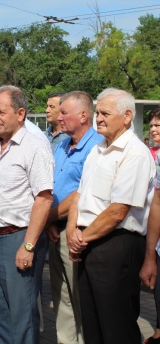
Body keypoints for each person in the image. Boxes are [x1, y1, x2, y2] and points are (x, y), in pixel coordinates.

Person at [66, 88, 155, 344]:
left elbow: (118, 211)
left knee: (117, 326)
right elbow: (78, 196)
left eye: (105, 113)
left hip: (117, 245)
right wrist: (73, 230)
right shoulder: (97, 150)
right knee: (92, 324)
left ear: (127, 116)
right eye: (97, 112)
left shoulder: (134, 153)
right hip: (88, 241)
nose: (99, 118)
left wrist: (80, 238)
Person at [0, 85, 54, 344]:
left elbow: (43, 199)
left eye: (1, 112)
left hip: (18, 239)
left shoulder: (34, 147)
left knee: (21, 317)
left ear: (20, 113)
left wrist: (29, 245)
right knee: (0, 315)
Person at [45, 91, 102, 344]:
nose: (59, 117)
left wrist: (50, 217)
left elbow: (82, 192)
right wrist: (48, 221)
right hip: (55, 227)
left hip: (77, 231)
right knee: (62, 295)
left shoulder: (97, 146)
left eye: (64, 112)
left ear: (83, 115)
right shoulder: (63, 145)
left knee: (80, 295)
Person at [139, 108, 160, 344]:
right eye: (152, 125)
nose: (153, 129)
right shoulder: (150, 155)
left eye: (158, 125)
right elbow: (156, 202)